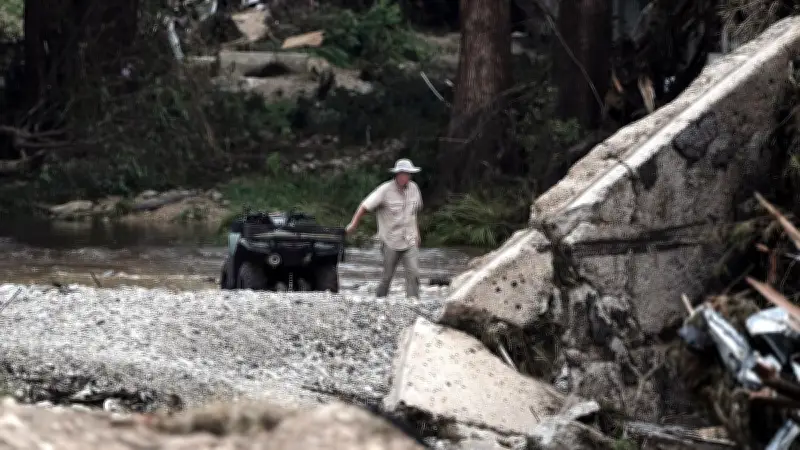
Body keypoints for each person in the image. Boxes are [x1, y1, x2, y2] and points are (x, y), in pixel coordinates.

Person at [346, 158, 423, 299]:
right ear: (397, 174)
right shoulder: (385, 190)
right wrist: (353, 224)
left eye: (407, 174)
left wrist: (417, 234)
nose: (404, 176)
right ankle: (379, 300)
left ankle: (413, 302)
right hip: (390, 240)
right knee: (387, 276)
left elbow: (414, 214)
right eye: (402, 173)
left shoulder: (414, 189)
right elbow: (365, 206)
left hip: (409, 239)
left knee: (414, 274)